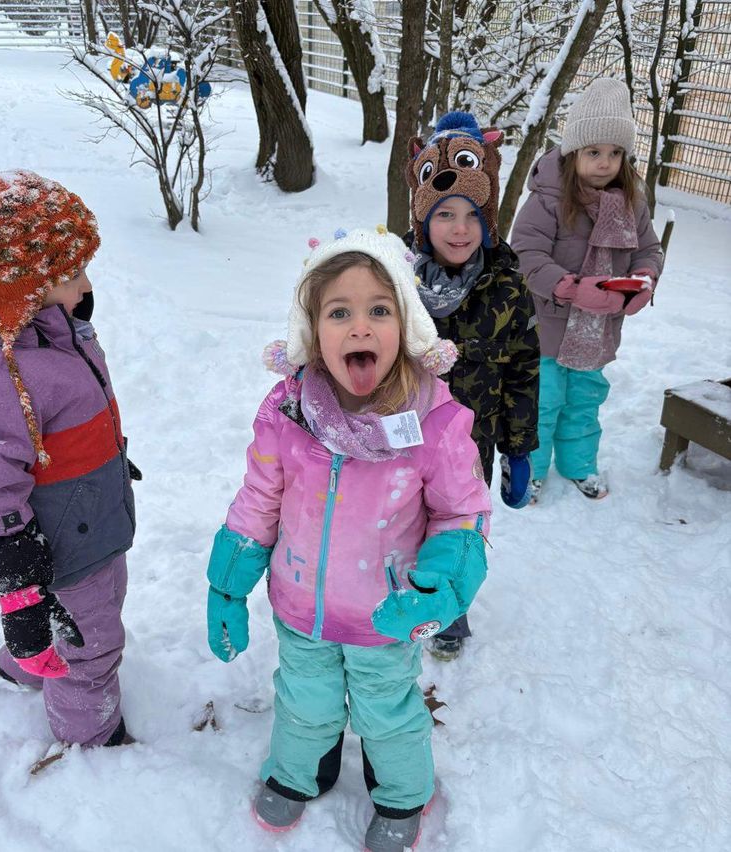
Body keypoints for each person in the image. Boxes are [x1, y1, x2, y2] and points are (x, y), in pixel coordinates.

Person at [204, 227, 491, 852]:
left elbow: (461, 515)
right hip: (301, 606)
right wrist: (228, 584)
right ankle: (301, 769)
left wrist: (442, 582)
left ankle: (403, 792)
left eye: (379, 311)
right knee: (304, 700)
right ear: (312, 332)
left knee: (386, 711)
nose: (360, 328)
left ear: (407, 326)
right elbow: (260, 500)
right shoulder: (286, 414)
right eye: (340, 312)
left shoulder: (434, 422)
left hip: (385, 615)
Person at [0, 170, 139, 748]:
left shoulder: (53, 326)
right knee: (92, 642)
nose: (86, 285)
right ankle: (90, 735)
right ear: (27, 286)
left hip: (92, 514)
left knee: (97, 605)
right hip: (61, 541)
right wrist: (20, 584)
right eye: (72, 274)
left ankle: (28, 661)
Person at [405, 111, 540, 660]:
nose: (459, 228)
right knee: (403, 519)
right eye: (444, 214)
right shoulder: (399, 280)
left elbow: (523, 371)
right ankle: (399, 594)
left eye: (471, 215)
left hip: (471, 443)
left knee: (458, 529)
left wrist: (519, 448)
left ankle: (451, 608)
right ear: (423, 221)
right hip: (405, 436)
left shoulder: (507, 287)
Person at [511, 78, 664, 502]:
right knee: (544, 403)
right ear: (574, 152)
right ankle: (533, 468)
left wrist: (644, 280)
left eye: (615, 153)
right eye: (594, 152)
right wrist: (572, 288)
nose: (605, 162)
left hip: (598, 328)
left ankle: (579, 464)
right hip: (548, 327)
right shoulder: (548, 199)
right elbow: (525, 255)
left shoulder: (631, 202)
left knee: (584, 401)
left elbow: (649, 248)